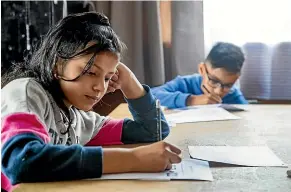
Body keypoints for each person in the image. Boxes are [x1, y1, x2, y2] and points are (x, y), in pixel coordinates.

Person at [1, 12, 181, 192]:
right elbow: (21, 161)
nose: (100, 88)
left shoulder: (80, 121)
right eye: (91, 72)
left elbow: (152, 132)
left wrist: (129, 82)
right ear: (57, 65)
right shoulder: (26, 92)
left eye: (107, 78)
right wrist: (133, 159)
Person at [151, 42, 248, 109]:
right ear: (202, 69)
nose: (218, 91)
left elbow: (248, 112)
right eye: (213, 81)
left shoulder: (233, 94)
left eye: (228, 85)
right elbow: (151, 96)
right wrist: (190, 100)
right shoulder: (184, 84)